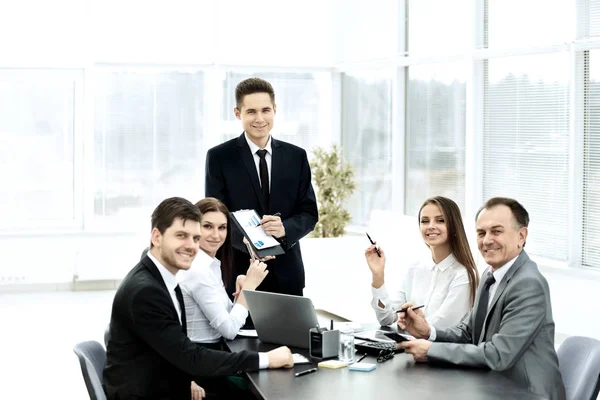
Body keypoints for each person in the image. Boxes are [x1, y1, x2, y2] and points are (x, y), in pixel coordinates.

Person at [103, 197, 293, 400]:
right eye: (181, 236)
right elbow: (191, 355)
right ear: (157, 237)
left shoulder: (163, 278)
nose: (191, 246)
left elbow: (174, 348)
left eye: (195, 238)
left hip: (162, 379)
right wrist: (266, 359)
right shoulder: (147, 292)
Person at [397, 197, 566, 400]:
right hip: (492, 385)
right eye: (481, 233)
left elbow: (499, 354)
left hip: (527, 393)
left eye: (496, 231)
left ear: (521, 236)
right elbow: (469, 333)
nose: (487, 240)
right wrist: (428, 332)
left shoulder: (528, 283)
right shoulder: (490, 275)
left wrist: (432, 350)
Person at [205, 77, 318, 296]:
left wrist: (285, 228)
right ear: (238, 113)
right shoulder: (219, 157)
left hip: (288, 274)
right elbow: (216, 214)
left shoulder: (297, 157)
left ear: (275, 110)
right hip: (239, 272)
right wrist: (250, 244)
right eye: (251, 112)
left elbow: (309, 213)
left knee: (288, 331)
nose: (260, 119)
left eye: (266, 110)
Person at [365, 196, 479, 329]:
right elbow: (386, 318)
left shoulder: (464, 275)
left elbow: (441, 327)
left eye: (440, 220)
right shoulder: (414, 268)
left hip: (437, 348)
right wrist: (378, 275)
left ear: (454, 226)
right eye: (424, 221)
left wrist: (409, 322)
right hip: (407, 345)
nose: (431, 226)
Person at [178, 197, 268, 344]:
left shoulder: (210, 265)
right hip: (202, 354)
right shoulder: (198, 270)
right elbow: (229, 330)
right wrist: (249, 287)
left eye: (222, 228)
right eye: (207, 226)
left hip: (215, 348)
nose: (216, 235)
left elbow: (229, 319)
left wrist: (241, 290)